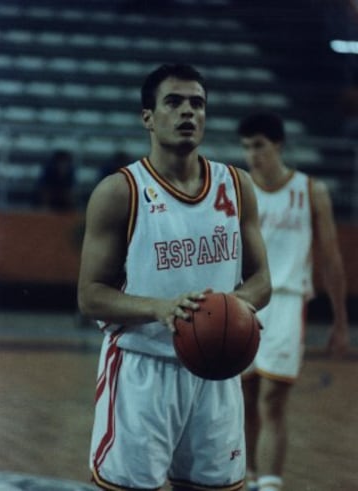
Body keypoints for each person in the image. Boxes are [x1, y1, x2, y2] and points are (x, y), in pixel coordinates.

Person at [78, 64, 271, 491]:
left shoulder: (237, 185)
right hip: (143, 372)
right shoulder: (120, 191)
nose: (188, 112)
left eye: (197, 103)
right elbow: (90, 296)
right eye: (174, 102)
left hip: (217, 374)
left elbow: (261, 280)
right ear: (148, 117)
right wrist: (159, 308)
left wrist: (235, 307)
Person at [237, 111, 350, 491]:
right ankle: (249, 476)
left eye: (259, 146)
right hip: (246, 300)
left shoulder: (310, 190)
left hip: (286, 301)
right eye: (247, 147)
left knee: (272, 399)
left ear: (278, 145)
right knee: (245, 397)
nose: (252, 154)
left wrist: (339, 320)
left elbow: (331, 258)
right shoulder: (241, 190)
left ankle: (270, 483)